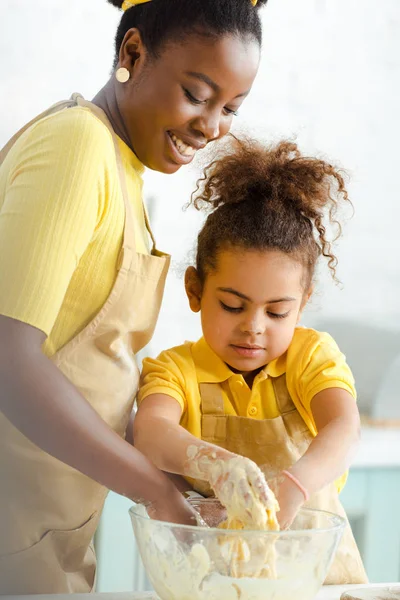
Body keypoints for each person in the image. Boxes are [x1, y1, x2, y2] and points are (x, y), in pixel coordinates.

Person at [0, 0, 267, 594]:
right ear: (132, 53)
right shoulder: (78, 147)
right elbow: (9, 360)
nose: (213, 126)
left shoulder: (123, 167)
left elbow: (83, 371)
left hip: (47, 528)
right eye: (197, 95)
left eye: (230, 108)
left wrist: (189, 471)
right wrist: (156, 491)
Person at [134, 137, 368, 584]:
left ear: (302, 305)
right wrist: (218, 465)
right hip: (216, 576)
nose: (254, 327)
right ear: (195, 291)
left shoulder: (310, 357)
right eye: (233, 306)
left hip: (321, 577)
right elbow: (149, 431)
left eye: (277, 312)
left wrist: (293, 487)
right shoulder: (175, 369)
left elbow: (344, 427)